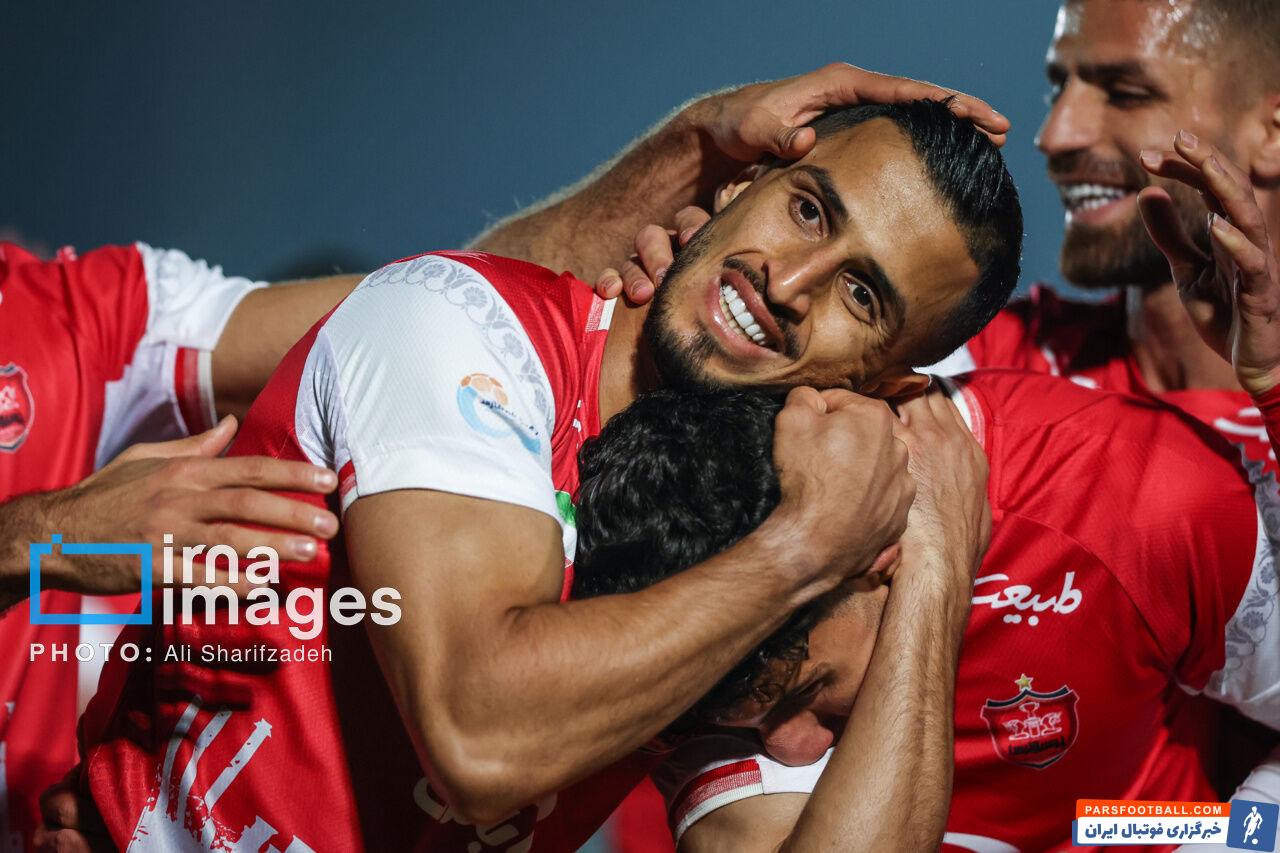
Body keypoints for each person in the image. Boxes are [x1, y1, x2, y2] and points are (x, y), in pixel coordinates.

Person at [5, 66, 1006, 852]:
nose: (789, 281)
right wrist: (802, 551)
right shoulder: (455, 324)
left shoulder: (750, 518)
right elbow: (479, 739)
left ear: (888, 384)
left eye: (861, 295)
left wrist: (934, 570)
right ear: (745, 183)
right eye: (808, 210)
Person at [573, 364, 1280, 851]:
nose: (790, 747)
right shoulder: (692, 613)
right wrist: (935, 569)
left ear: (872, 554)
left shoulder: (1134, 496)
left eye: (808, 693)